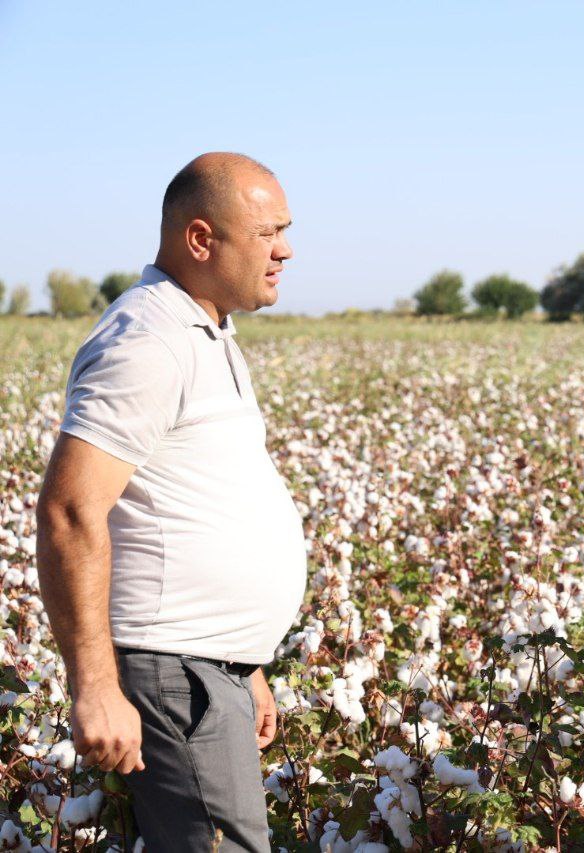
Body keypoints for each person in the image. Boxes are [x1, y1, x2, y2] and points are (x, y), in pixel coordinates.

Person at [36, 153, 306, 852]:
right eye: (267, 232)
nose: (285, 248)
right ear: (199, 239)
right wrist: (96, 685)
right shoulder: (148, 338)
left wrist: (245, 663)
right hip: (172, 672)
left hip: (204, 667)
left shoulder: (205, 329)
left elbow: (190, 504)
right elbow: (70, 508)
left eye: (285, 229)